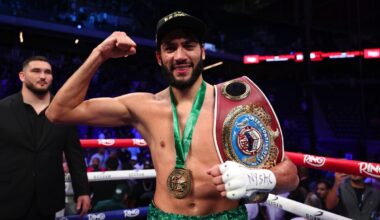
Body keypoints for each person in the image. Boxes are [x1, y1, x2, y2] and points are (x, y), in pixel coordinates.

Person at [46, 11, 299, 219]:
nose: (179, 56)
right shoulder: (143, 106)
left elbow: (290, 176)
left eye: (188, 46)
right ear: (159, 57)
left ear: (202, 52)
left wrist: (255, 177)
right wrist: (99, 54)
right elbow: (59, 112)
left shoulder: (234, 105)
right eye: (170, 48)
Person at [0, 56, 91, 220]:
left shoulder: (64, 111)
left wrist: (82, 190)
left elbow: (74, 154)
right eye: (36, 71)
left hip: (47, 201)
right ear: (22, 76)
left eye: (47, 72)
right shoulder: (3, 109)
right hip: (7, 198)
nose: (43, 76)